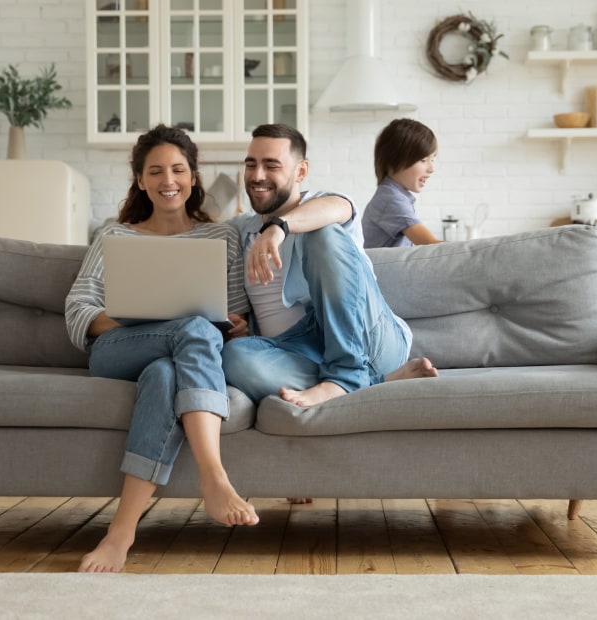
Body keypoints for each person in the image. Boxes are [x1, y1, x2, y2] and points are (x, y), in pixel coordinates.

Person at [65, 124, 260, 573]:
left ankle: (121, 532)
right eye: (155, 171)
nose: (167, 180)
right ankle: (214, 477)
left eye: (178, 169)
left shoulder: (222, 238)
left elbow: (234, 312)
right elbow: (78, 307)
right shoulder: (116, 238)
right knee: (191, 328)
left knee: (165, 375)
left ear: (193, 177)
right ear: (140, 180)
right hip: (118, 348)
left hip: (176, 358)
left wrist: (237, 323)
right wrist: (143, 316)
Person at [221, 123, 438, 409]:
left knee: (322, 230)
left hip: (368, 337)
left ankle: (345, 374)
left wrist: (279, 227)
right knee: (232, 357)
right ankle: (374, 381)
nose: (258, 175)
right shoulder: (239, 230)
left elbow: (336, 209)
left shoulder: (324, 204)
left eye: (271, 165)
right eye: (251, 165)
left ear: (300, 172)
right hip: (297, 349)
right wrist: (236, 324)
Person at [362, 118, 442, 248]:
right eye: (423, 160)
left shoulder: (393, 196)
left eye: (432, 160)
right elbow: (431, 245)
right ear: (395, 160)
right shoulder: (391, 200)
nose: (431, 169)